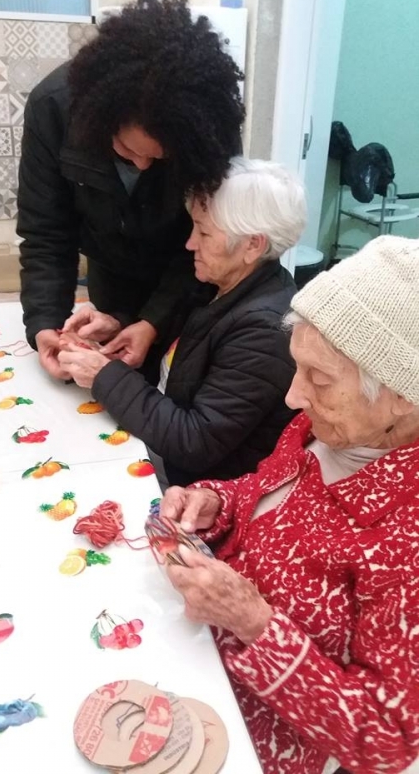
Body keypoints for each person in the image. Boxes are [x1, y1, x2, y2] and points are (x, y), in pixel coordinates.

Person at [158, 235, 419, 774]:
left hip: (251, 728)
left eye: (318, 378)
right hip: (195, 646)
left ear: (401, 396)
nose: (292, 397)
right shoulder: (328, 426)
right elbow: (269, 489)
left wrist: (255, 623)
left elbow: (387, 742)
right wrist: (218, 501)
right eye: (297, 366)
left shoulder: (405, 538)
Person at [17, 0, 244, 382]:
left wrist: (153, 322)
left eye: (158, 159)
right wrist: (45, 326)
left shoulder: (206, 128)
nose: (140, 164)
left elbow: (206, 241)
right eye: (125, 150)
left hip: (189, 279)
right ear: (101, 117)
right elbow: (46, 235)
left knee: (173, 391)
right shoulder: (53, 108)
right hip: (111, 276)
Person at [58, 157, 306, 485]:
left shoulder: (264, 331)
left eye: (203, 232)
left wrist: (104, 376)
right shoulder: (220, 282)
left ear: (252, 245)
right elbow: (183, 348)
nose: (190, 244)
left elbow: (193, 442)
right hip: (158, 434)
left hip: (195, 483)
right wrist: (117, 326)